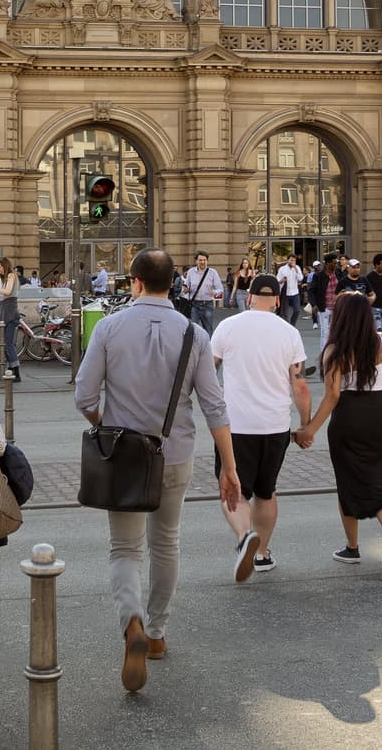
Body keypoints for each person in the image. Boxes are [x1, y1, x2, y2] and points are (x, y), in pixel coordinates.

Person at [74, 248, 241, 692]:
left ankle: (132, 622)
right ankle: (158, 633)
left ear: (135, 281)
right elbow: (214, 406)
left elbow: (84, 398)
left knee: (125, 549)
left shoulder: (109, 328)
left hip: (125, 456)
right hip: (175, 453)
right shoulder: (194, 334)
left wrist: (105, 426)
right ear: (176, 284)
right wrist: (229, 466)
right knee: (165, 543)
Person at [296, 288, 382, 569]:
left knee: (347, 483)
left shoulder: (335, 350)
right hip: (379, 414)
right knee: (378, 479)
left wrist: (310, 429)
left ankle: (352, 547)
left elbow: (332, 395)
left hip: (348, 418)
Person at [209, 275, 311, 575]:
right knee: (267, 492)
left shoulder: (227, 326)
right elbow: (301, 386)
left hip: (235, 425)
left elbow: (208, 370)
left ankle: (244, 537)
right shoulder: (289, 332)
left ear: (249, 297)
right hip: (275, 425)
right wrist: (306, 426)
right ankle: (263, 554)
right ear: (278, 300)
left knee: (234, 489)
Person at [0, 256, 23, 381]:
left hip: (10, 311)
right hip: (5, 308)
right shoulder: (5, 277)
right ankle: (10, 372)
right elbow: (4, 296)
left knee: (8, 343)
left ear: (5, 266)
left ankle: (16, 373)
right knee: (3, 342)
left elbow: (8, 291)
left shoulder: (11, 275)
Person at [181, 252, 226, 338]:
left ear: (207, 261)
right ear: (196, 261)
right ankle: (194, 348)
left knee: (208, 329)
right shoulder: (191, 272)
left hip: (207, 305)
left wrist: (215, 292)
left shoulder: (213, 272)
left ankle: (208, 349)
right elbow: (185, 287)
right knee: (193, 329)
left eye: (204, 260)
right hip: (194, 305)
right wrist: (185, 289)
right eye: (200, 260)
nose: (202, 262)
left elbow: (220, 289)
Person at [364, 254, 382, 333]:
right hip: (374, 307)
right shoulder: (369, 276)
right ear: (376, 265)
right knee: (378, 328)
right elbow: (366, 291)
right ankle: (378, 344)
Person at [276, 253, 306, 327]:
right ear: (288, 260)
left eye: (294, 260)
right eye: (291, 260)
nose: (292, 262)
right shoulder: (282, 269)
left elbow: (300, 278)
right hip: (285, 293)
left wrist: (296, 270)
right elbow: (277, 280)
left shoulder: (297, 268)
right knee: (285, 313)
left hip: (295, 293)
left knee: (297, 310)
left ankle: (292, 325)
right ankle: (287, 327)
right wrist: (282, 281)